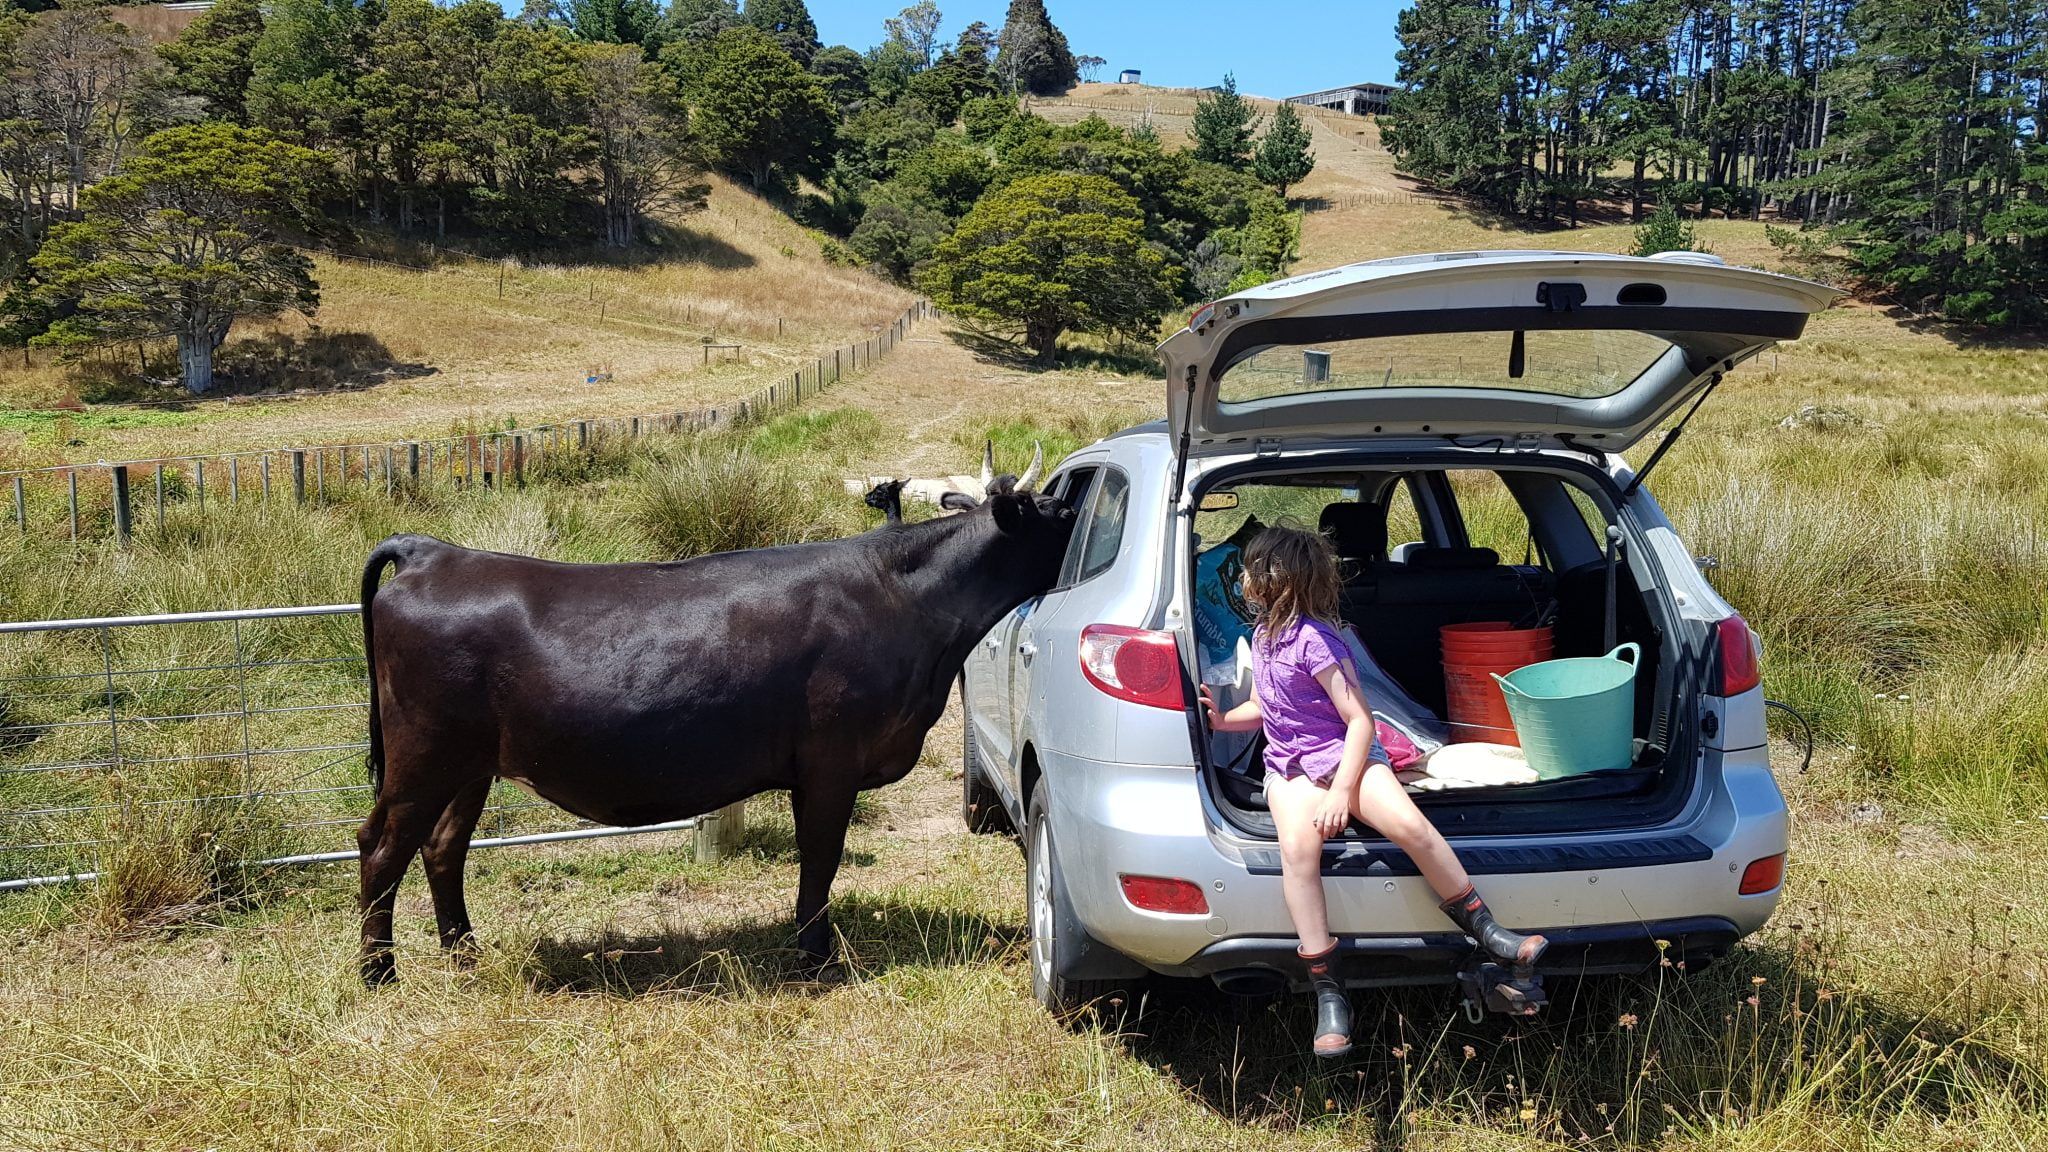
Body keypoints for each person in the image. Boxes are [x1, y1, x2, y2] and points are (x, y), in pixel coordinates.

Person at [1198, 525, 1547, 1058]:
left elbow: (1360, 723)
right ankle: (1328, 989)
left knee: (1410, 826)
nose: (1244, 578)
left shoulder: (1317, 640)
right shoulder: (1266, 636)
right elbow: (1268, 711)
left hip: (1348, 756)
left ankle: (1489, 930)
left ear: (1277, 579)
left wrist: (1341, 792)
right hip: (1290, 766)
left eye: (1252, 569)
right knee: (1298, 851)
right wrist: (1224, 720)